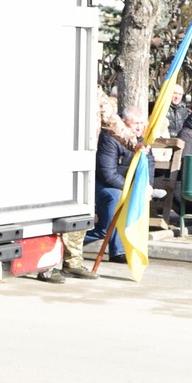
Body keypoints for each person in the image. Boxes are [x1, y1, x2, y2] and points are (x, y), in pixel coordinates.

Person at [85, 108, 139, 266]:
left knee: (121, 198)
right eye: (136, 123)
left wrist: (145, 186)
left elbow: (147, 165)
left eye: (142, 123)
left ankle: (118, 250)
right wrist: (129, 188)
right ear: (123, 123)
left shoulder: (140, 139)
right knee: (115, 198)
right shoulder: (110, 138)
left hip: (123, 184)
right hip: (102, 183)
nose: (139, 127)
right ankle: (69, 242)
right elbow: (107, 173)